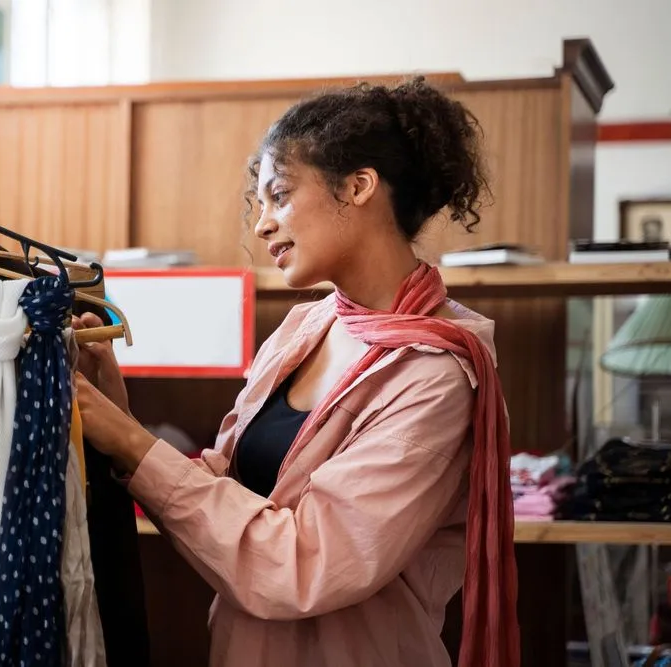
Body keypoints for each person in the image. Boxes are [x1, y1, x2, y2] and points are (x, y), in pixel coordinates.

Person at [72, 77, 519, 667]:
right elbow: (220, 491)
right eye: (259, 204)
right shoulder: (302, 329)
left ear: (359, 186)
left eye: (279, 195)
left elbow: (302, 564)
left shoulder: (435, 374)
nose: (262, 226)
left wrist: (129, 441)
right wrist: (117, 415)